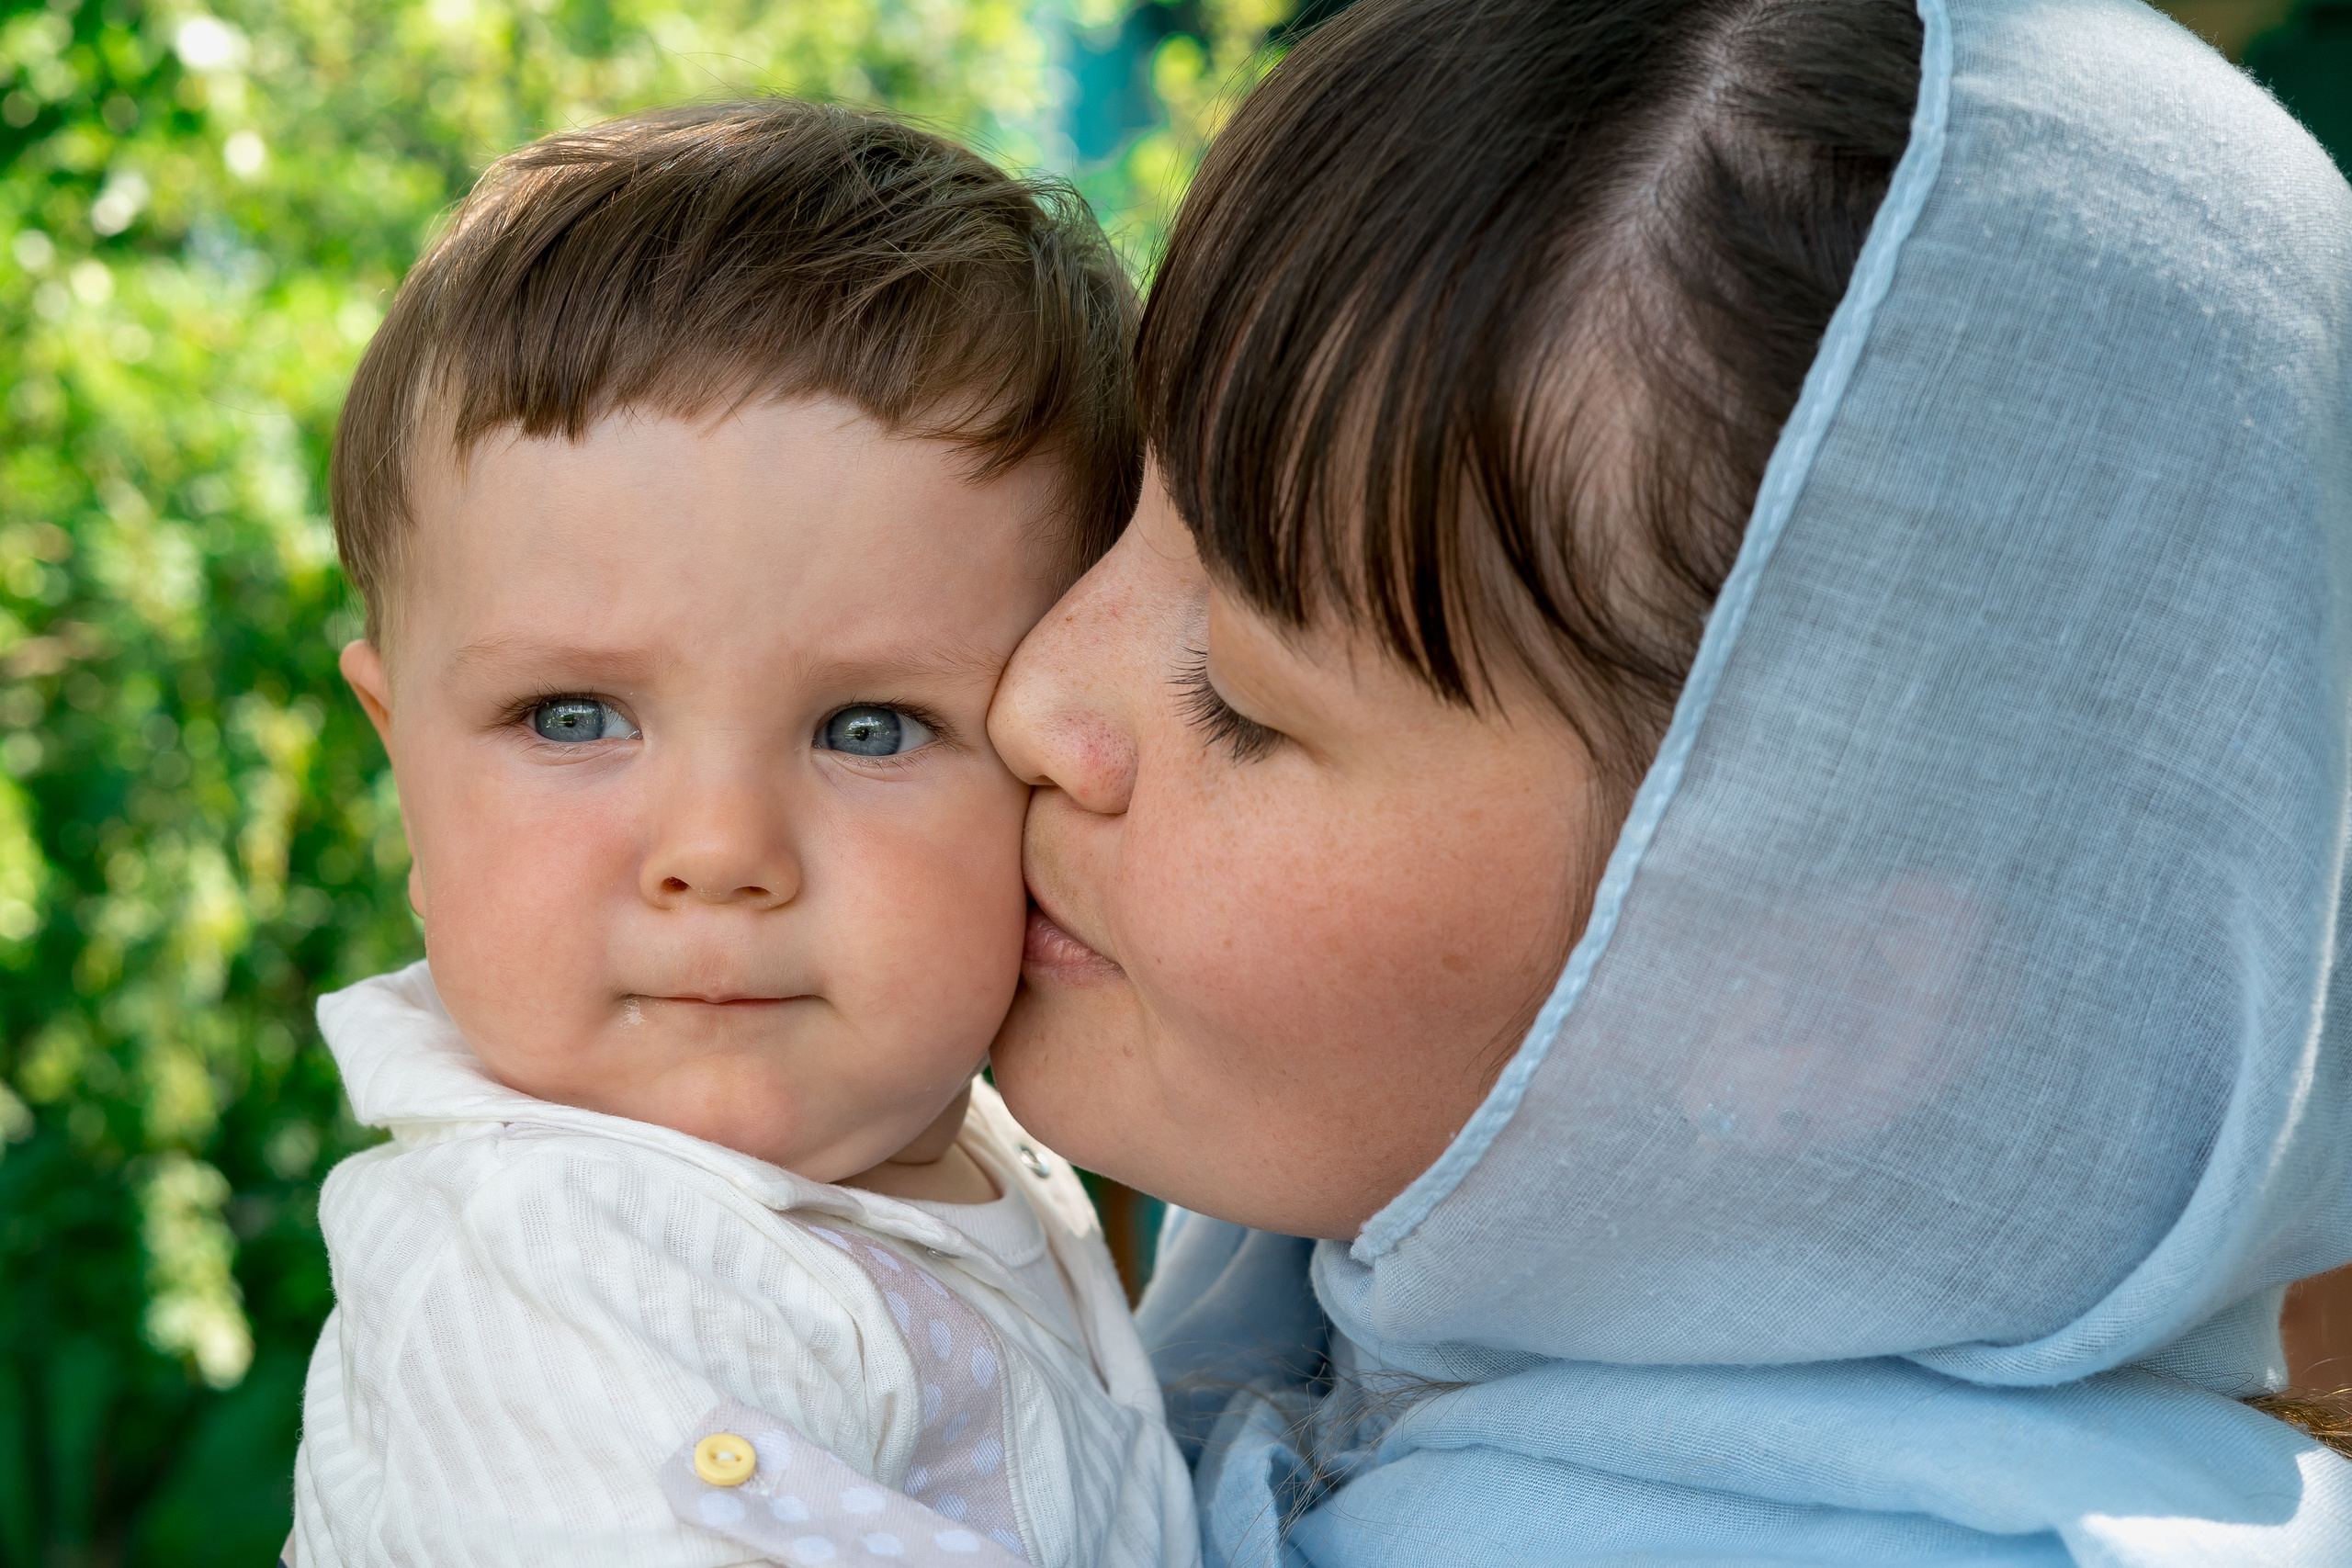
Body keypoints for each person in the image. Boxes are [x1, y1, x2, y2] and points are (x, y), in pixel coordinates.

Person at [985, 0, 2352, 1561]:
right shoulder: (1323, 1345)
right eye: (1110, 510)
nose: (1031, 697)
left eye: (1237, 696)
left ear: (1817, 997)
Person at [286, 100, 1198, 1568]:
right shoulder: (557, 1276)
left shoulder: (964, 1141)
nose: (717, 851)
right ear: (404, 767)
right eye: (573, 717)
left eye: (871, 728)